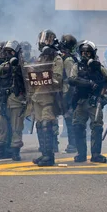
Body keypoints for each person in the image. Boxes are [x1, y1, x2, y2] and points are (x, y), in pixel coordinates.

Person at [69, 40, 107, 164]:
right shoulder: (76, 66)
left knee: (97, 127)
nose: (85, 55)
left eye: (88, 53)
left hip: (95, 102)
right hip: (81, 101)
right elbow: (72, 79)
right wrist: (87, 83)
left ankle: (96, 154)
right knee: (77, 126)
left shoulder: (99, 67)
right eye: (83, 53)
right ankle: (81, 154)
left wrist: (104, 97)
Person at [29, 30, 65, 167]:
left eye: (47, 40)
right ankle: (44, 154)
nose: (43, 42)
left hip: (49, 97)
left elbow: (57, 79)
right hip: (38, 96)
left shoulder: (56, 58)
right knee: (39, 125)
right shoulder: (40, 58)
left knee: (46, 125)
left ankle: (49, 157)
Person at [0, 40, 26, 161]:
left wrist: (17, 68)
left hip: (16, 99)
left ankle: (15, 151)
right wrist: (3, 68)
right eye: (6, 52)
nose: (8, 54)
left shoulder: (22, 65)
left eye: (10, 52)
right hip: (3, 98)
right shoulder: (1, 65)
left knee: (16, 125)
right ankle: (1, 149)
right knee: (1, 124)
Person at [59, 34, 79, 154]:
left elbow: (72, 79)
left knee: (70, 118)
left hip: (69, 92)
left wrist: (68, 97)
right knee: (68, 118)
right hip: (66, 91)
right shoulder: (67, 58)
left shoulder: (68, 60)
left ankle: (73, 144)